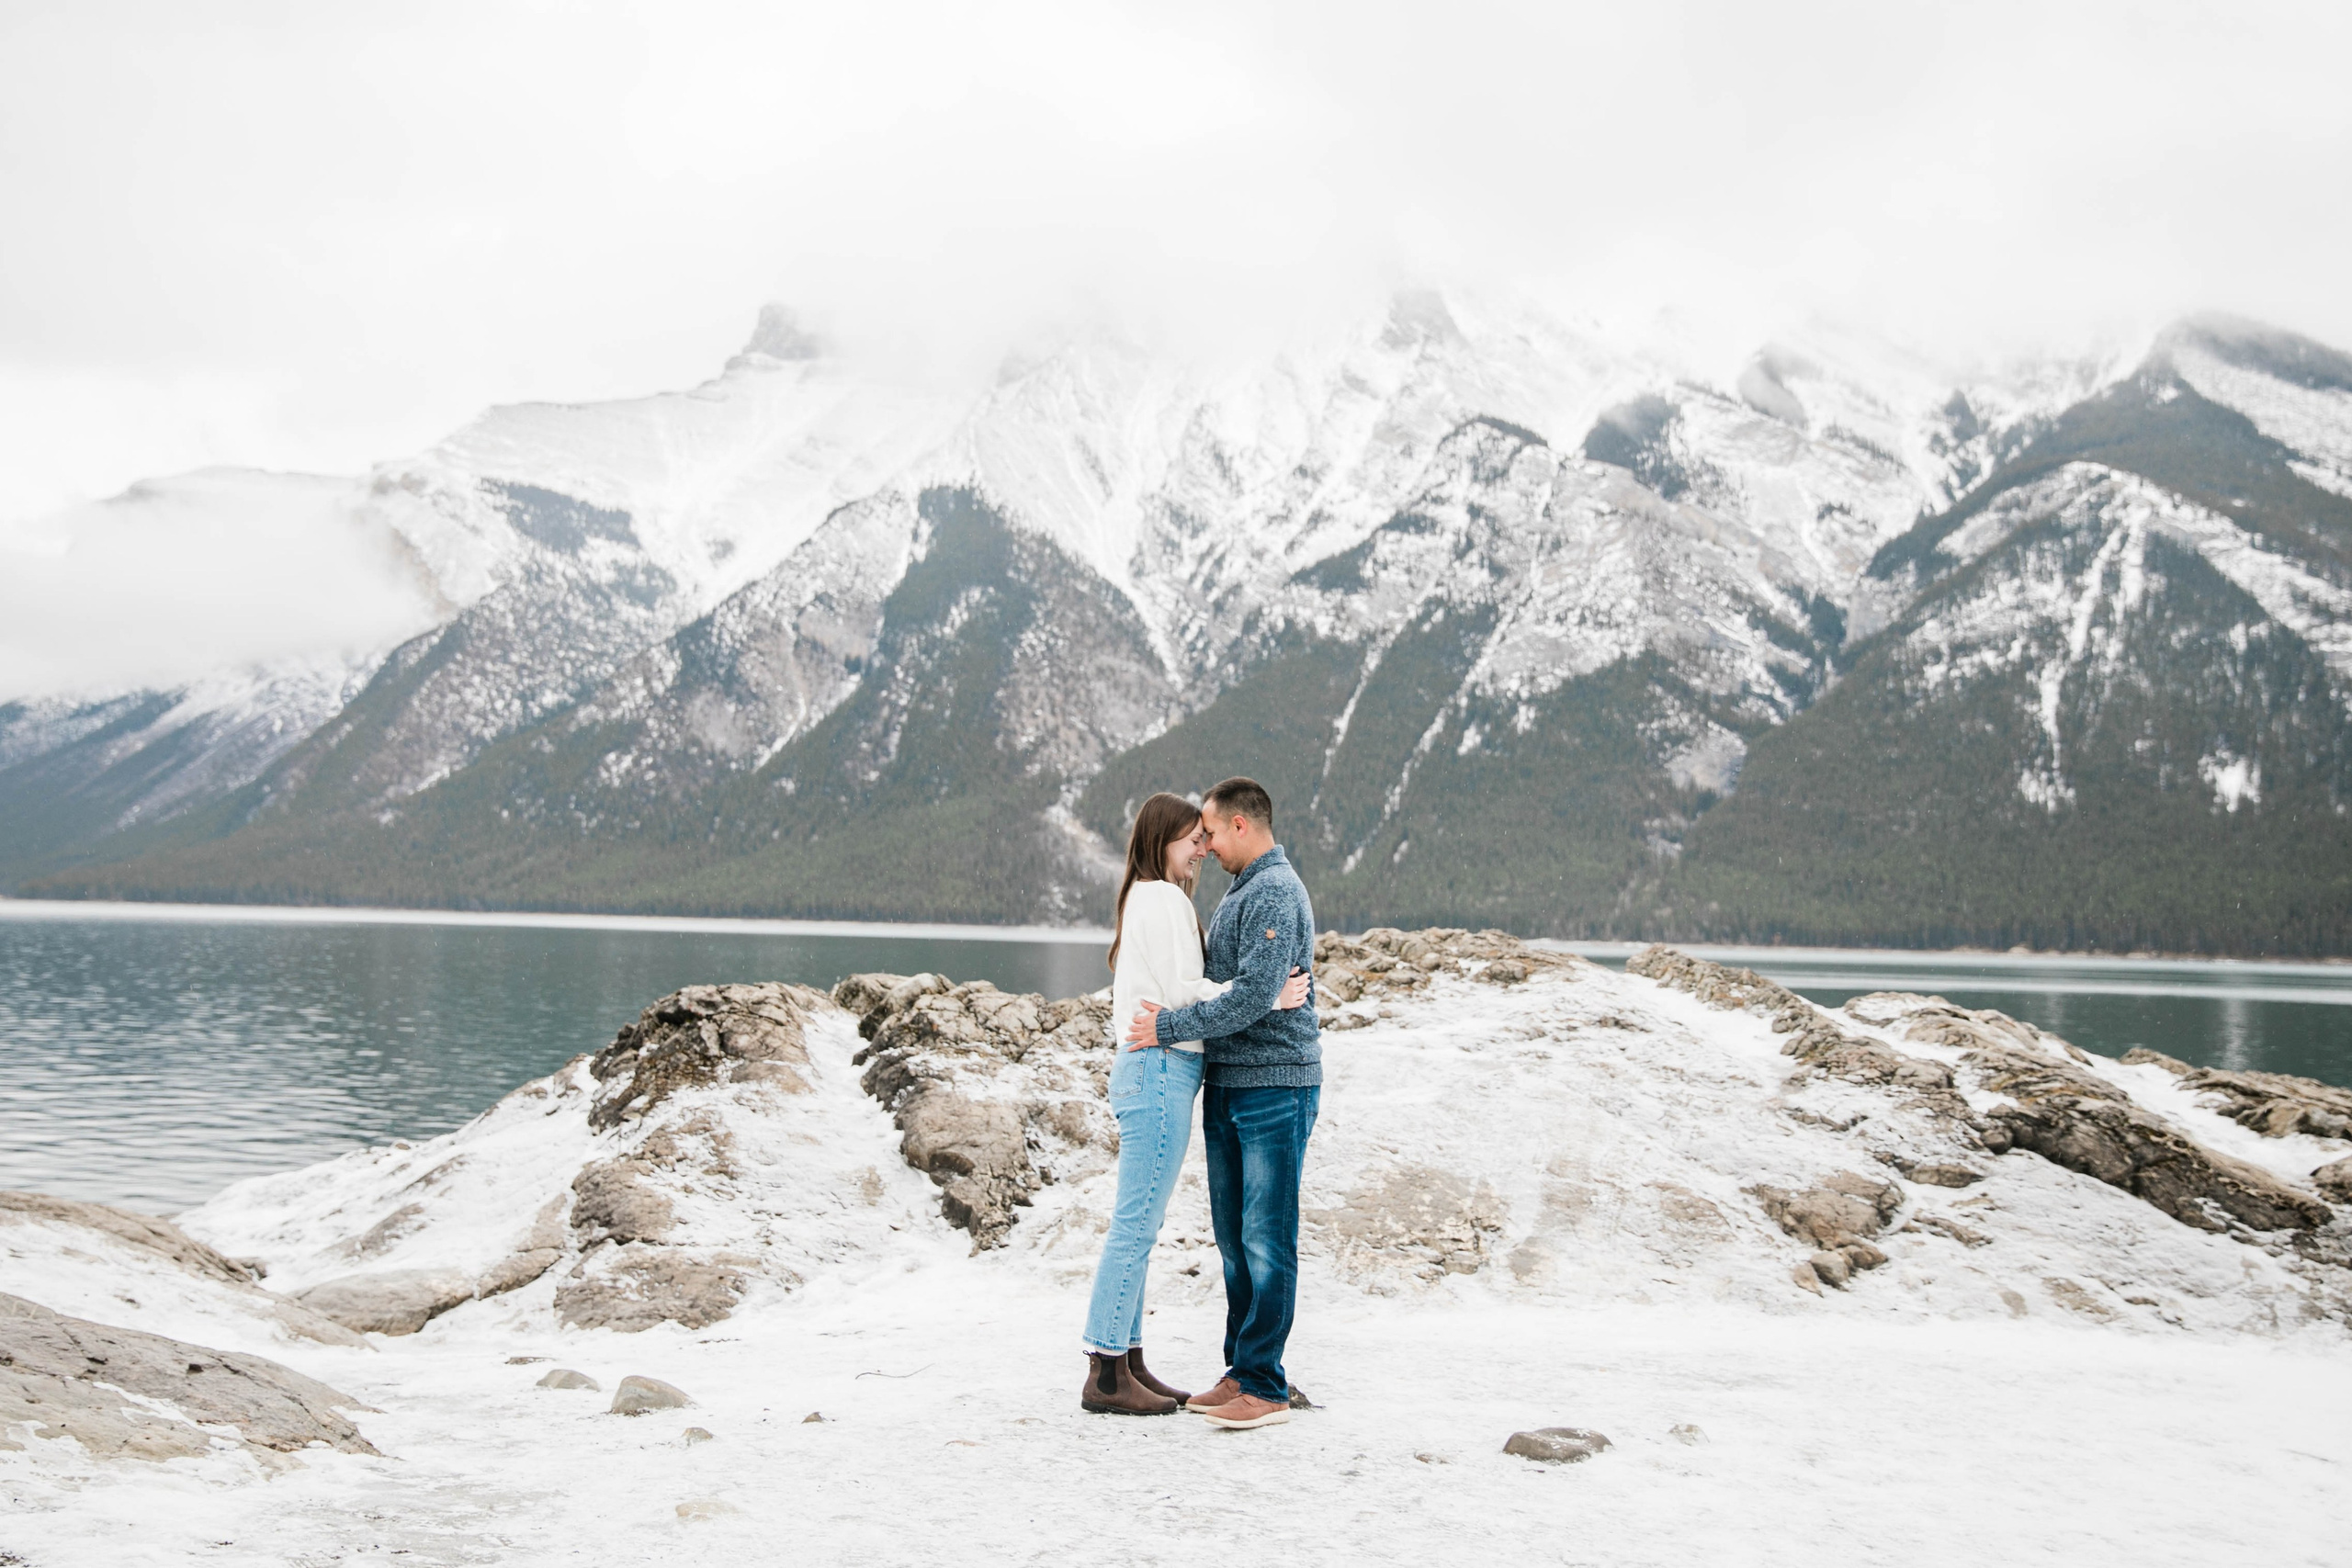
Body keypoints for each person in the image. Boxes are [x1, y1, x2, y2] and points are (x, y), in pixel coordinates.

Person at [1080, 791, 1311, 1416]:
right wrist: (1265, 995)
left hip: (1159, 1066)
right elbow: (1184, 989)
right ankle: (1106, 1369)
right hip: (1159, 1065)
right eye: (1193, 839)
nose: (1201, 850)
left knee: (1143, 1223)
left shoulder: (1149, 897)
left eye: (1206, 837)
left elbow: (1174, 989)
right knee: (1137, 1224)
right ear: (1165, 842)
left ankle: (1127, 1359)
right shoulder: (1161, 897)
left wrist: (1246, 997)